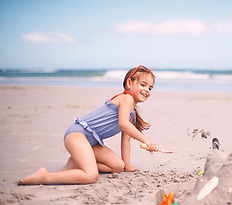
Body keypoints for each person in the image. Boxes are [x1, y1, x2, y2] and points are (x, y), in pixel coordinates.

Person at [18, 65, 159, 185]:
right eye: (143, 85)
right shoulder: (126, 98)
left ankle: (74, 164)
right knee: (91, 176)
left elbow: (126, 142)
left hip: (92, 141)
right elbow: (123, 124)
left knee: (118, 166)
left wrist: (127, 166)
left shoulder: (132, 116)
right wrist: (146, 140)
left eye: (150, 88)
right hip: (78, 134)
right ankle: (45, 176)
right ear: (129, 83)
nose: (147, 90)